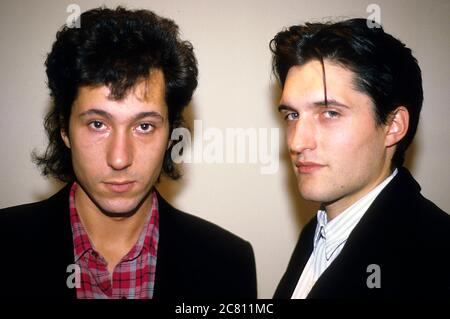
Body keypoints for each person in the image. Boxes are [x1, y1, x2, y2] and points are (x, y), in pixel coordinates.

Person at [0, 6, 256, 299]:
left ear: (171, 133)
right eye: (98, 124)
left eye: (144, 126)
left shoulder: (227, 264)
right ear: (63, 128)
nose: (119, 158)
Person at [270, 18, 450, 298]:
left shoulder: (437, 256)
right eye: (292, 115)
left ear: (393, 126)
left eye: (330, 113)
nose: (297, 141)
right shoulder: (316, 233)